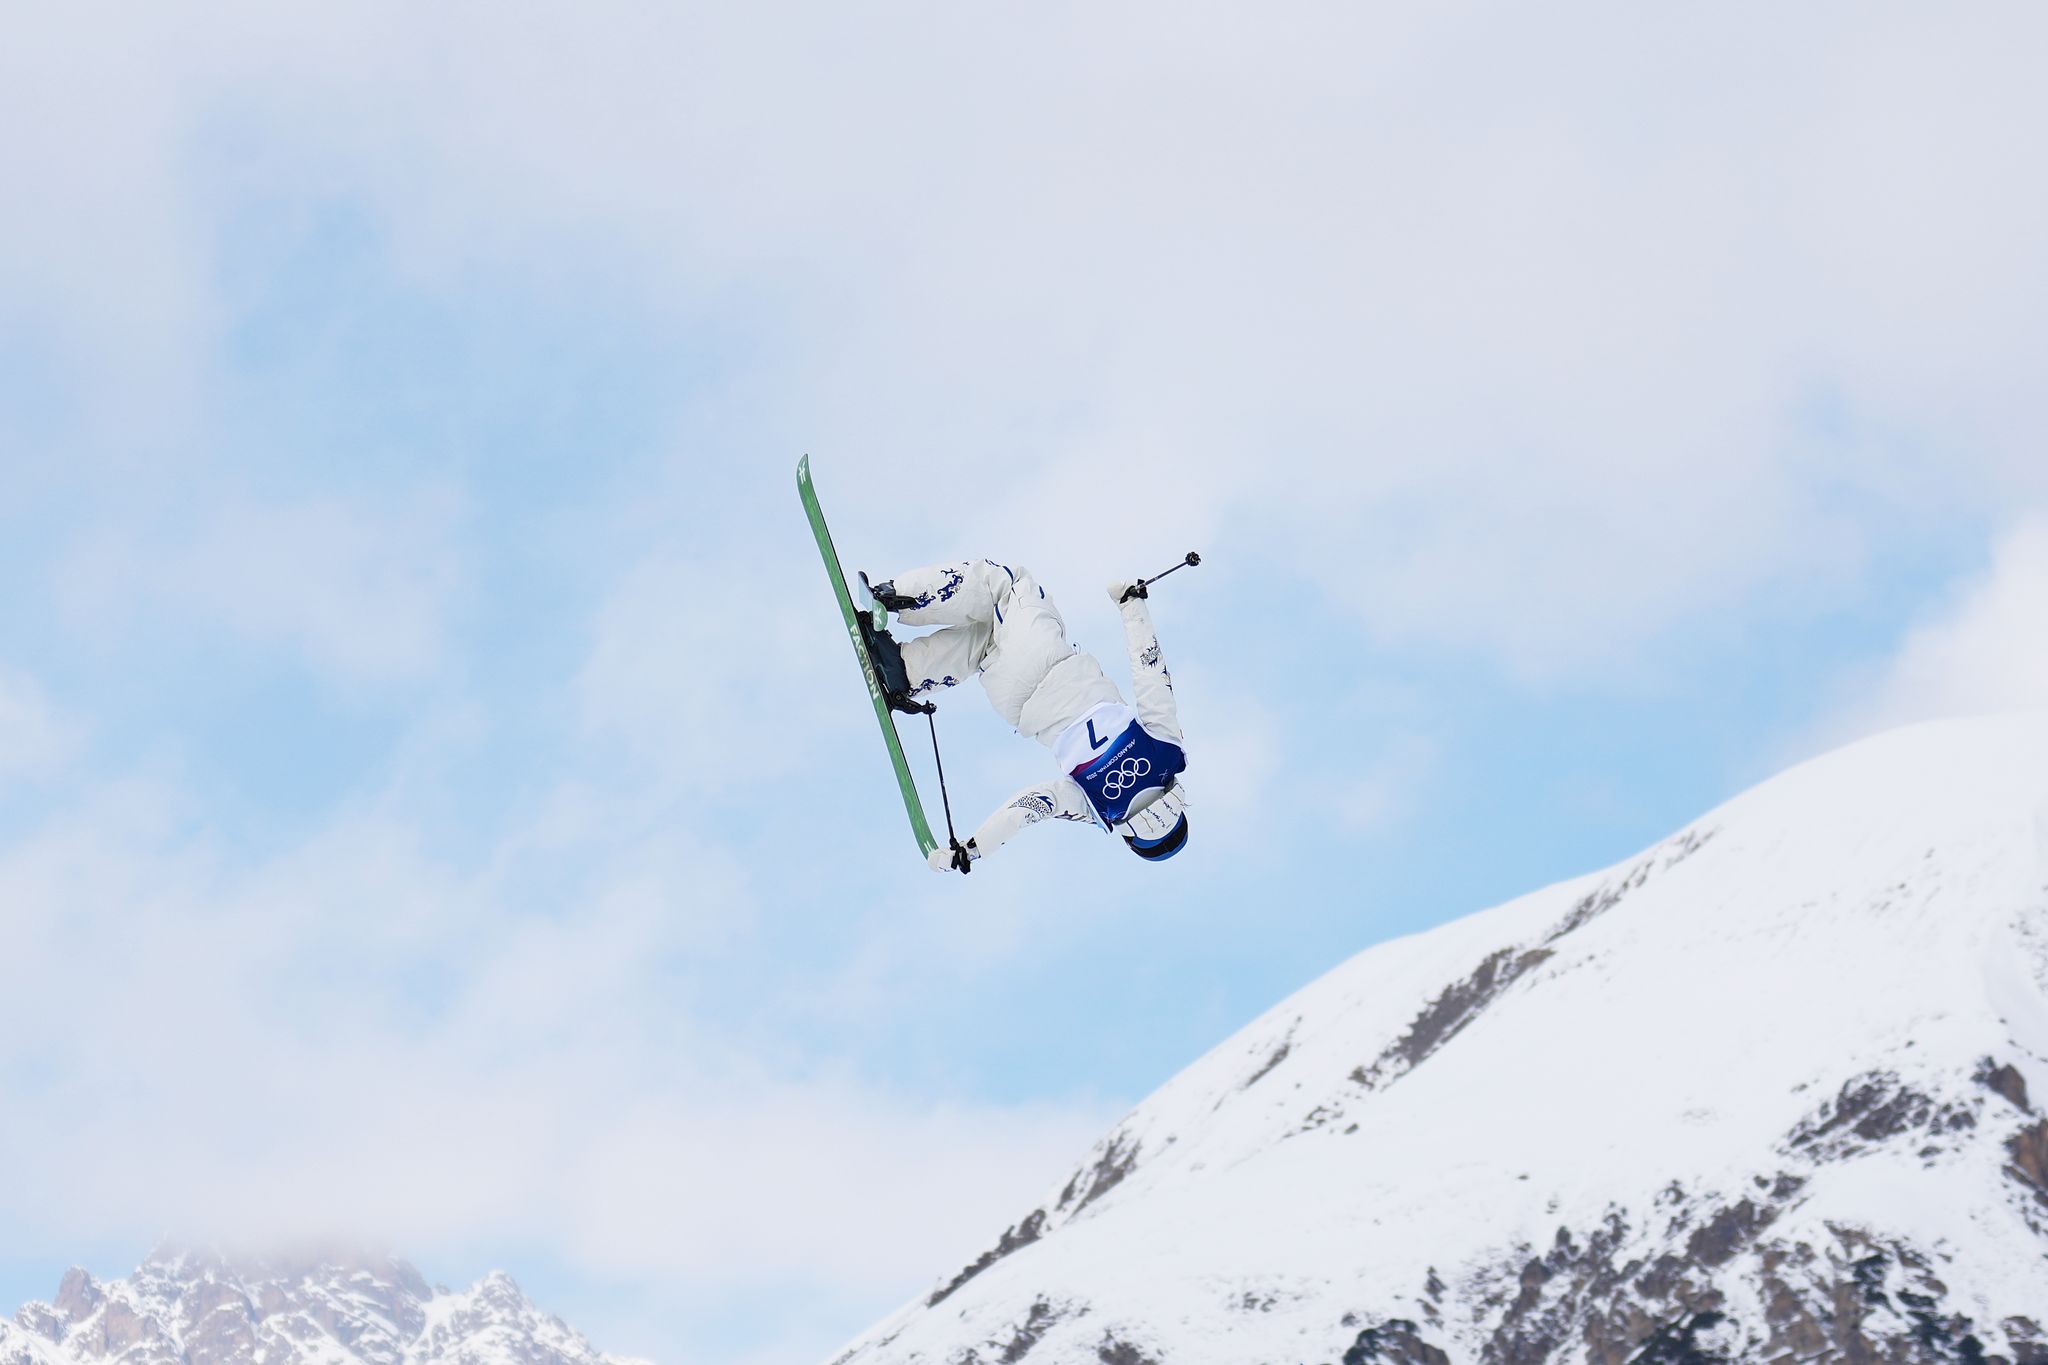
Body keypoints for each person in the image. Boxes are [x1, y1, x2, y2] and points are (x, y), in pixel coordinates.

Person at [863, 559, 1189, 871]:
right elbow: (1029, 807)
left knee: (1008, 585)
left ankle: (896, 595)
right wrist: (973, 849)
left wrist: (1132, 606)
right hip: (1014, 703)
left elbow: (1151, 674)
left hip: (1047, 660)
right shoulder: (1098, 807)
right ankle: (904, 670)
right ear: (1133, 839)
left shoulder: (1167, 751)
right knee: (988, 637)